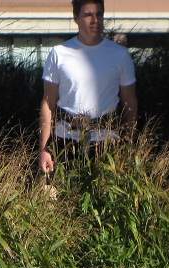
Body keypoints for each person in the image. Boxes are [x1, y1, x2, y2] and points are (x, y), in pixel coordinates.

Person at [38, 0, 138, 174]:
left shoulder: (120, 55)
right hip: (65, 140)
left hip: (106, 142)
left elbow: (130, 103)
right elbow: (48, 103)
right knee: (64, 198)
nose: (95, 20)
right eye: (88, 15)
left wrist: (129, 143)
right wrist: (44, 148)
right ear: (76, 18)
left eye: (99, 14)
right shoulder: (58, 54)